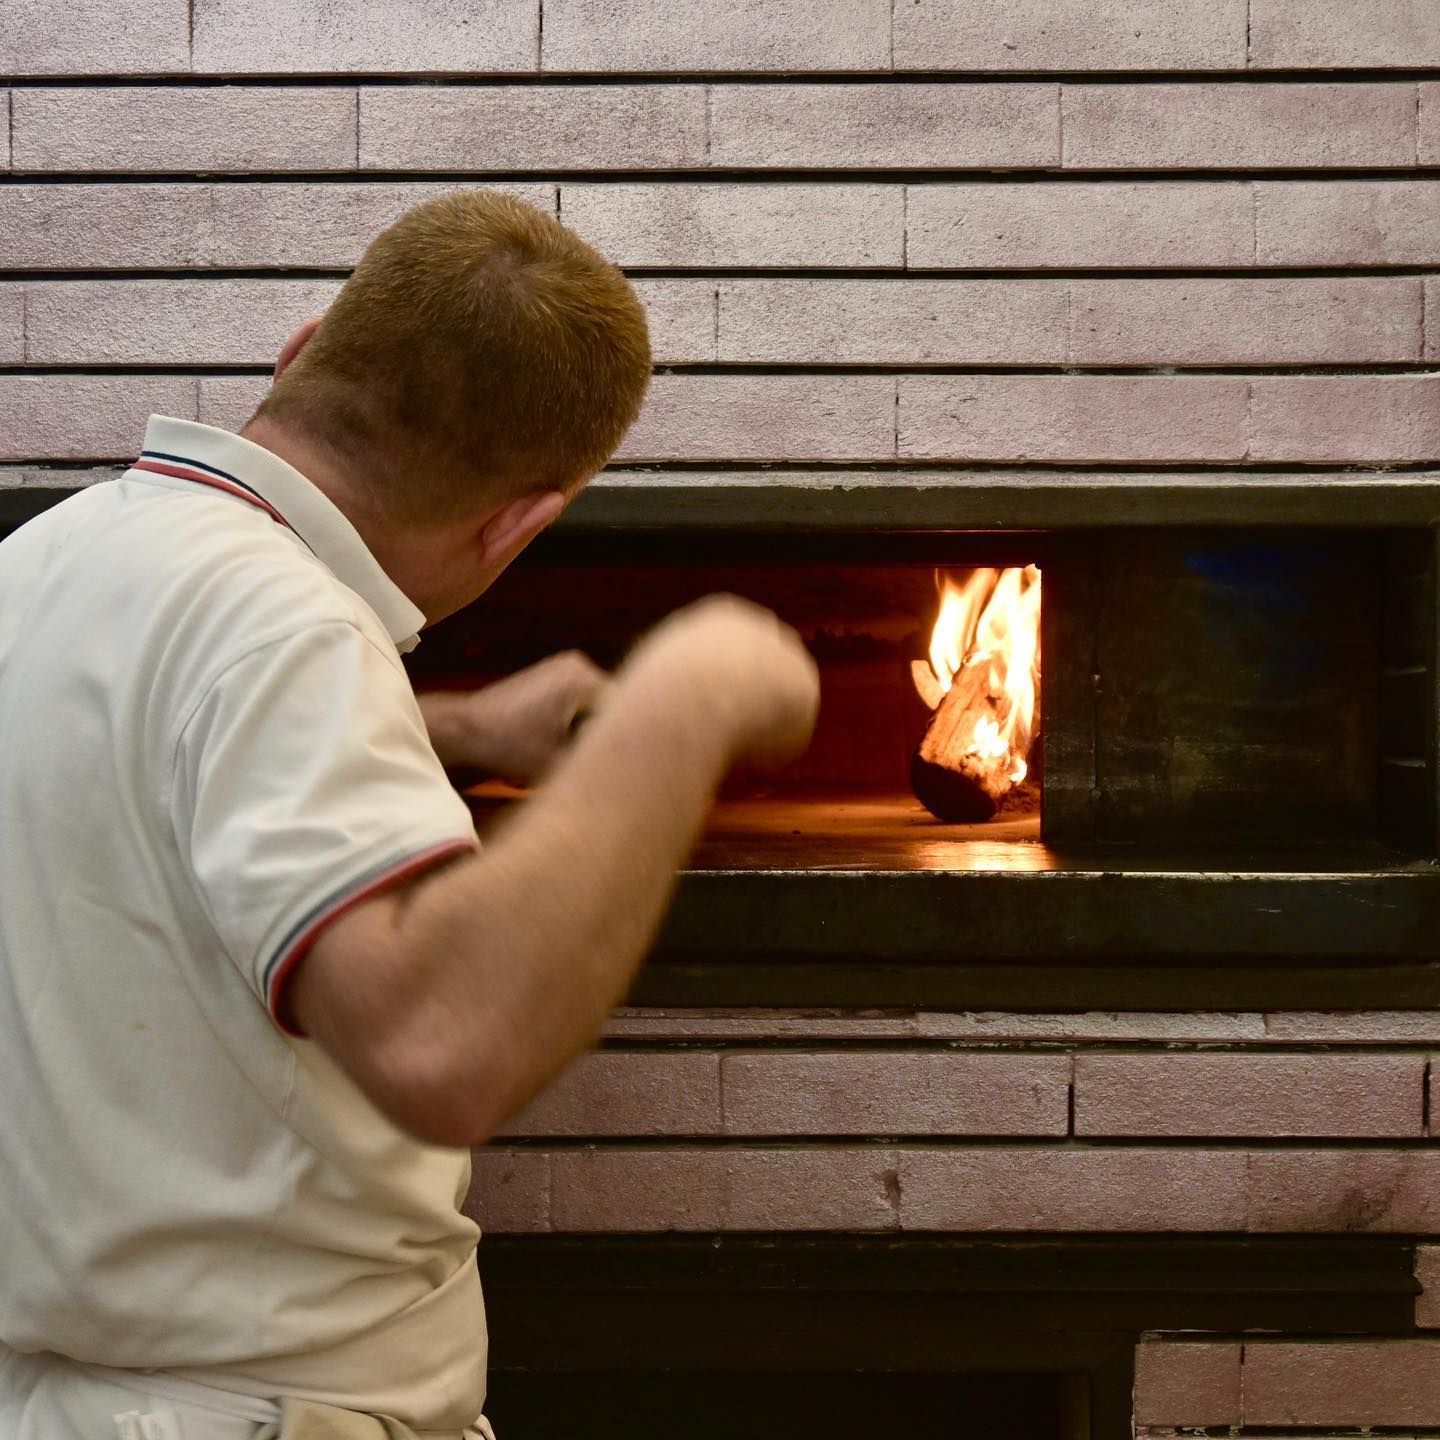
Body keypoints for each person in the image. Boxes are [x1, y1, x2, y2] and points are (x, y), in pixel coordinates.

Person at [0, 189, 819, 1440]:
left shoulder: (44, 565)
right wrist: (688, 695)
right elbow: (437, 1043)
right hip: (259, 1412)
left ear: (299, 352)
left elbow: (138, 770)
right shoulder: (291, 633)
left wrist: (451, 729)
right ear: (521, 523)